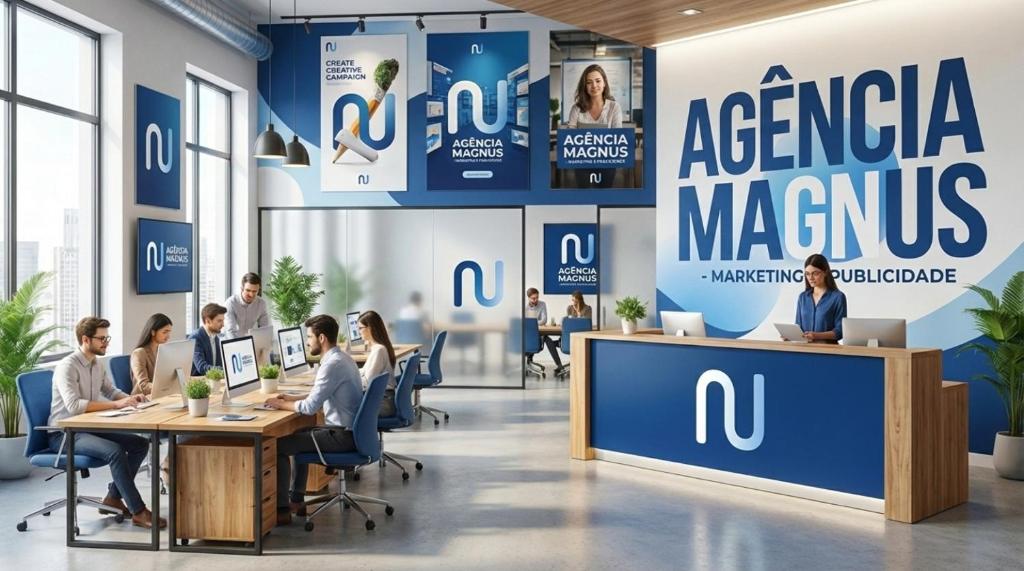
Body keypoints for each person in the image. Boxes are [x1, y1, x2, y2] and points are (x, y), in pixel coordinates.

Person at [48, 317, 165, 529]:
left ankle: (112, 498)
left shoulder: (96, 363)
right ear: (85, 339)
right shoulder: (68, 366)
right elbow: (74, 406)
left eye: (107, 338)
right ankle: (138, 511)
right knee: (114, 451)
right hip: (64, 434)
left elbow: (110, 392)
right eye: (101, 338)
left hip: (87, 428)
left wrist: (131, 399)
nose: (106, 342)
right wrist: (116, 406)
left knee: (139, 444)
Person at [263, 314, 362, 525]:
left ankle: (282, 510)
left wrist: (281, 404)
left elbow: (309, 408)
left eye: (309, 337)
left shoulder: (331, 365)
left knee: (278, 445)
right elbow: (320, 393)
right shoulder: (342, 358)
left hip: (342, 437)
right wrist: (291, 398)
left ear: (322, 338)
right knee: (299, 435)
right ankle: (296, 498)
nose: (307, 342)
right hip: (351, 432)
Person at [566, 64, 622, 189]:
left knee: (604, 195)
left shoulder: (614, 107)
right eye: (589, 82)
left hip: (607, 160)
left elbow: (618, 137)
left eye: (598, 81)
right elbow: (569, 136)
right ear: (584, 86)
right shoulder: (576, 108)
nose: (594, 86)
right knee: (584, 194)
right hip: (582, 161)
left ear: (604, 83)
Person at [795, 253, 848, 343]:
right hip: (804, 350)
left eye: (815, 273)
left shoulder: (838, 297)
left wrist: (816, 336)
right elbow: (798, 327)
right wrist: (791, 336)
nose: (810, 278)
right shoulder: (803, 297)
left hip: (828, 351)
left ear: (825, 272)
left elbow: (840, 331)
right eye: (807, 274)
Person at [357, 310, 398, 417]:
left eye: (360, 328)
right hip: (382, 399)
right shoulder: (378, 348)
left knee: (342, 405)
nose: (358, 331)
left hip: (383, 403)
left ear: (369, 328)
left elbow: (367, 382)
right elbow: (365, 372)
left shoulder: (379, 350)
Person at [129, 313, 173, 396]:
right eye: (165, 332)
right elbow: (144, 386)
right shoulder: (139, 353)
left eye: (169, 332)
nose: (168, 336)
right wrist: (166, 388)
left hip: (161, 396)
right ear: (153, 332)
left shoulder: (163, 351)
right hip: (143, 399)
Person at [525, 287, 564, 373]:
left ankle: (559, 365)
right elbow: (520, 320)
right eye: (533, 298)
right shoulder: (523, 305)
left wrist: (531, 323)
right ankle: (529, 360)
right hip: (525, 336)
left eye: (537, 297)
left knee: (546, 338)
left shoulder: (542, 304)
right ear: (528, 298)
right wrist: (534, 323)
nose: (536, 300)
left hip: (537, 334)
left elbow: (544, 320)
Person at [223, 272, 270, 338]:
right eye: (248, 290)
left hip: (249, 342)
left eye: (254, 291)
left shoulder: (261, 303)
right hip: (231, 342)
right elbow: (231, 332)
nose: (251, 295)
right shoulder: (230, 303)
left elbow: (265, 328)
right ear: (241, 288)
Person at [189, 303, 226, 376]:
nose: (223, 324)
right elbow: (202, 367)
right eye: (219, 321)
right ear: (208, 321)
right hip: (199, 382)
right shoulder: (196, 338)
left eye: (223, 320)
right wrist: (225, 370)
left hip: (213, 380)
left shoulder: (215, 337)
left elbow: (218, 364)